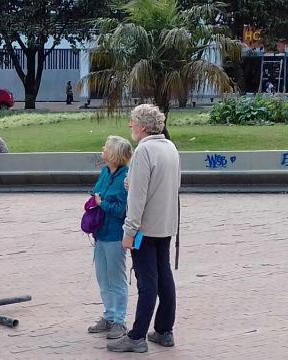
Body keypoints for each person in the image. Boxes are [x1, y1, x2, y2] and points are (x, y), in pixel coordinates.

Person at [107, 104, 180, 353]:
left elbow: (137, 198)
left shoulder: (144, 151)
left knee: (146, 282)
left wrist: (129, 232)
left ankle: (137, 336)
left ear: (143, 126)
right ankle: (164, 330)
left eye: (133, 121)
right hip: (165, 225)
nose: (130, 125)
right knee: (164, 276)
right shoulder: (170, 147)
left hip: (144, 229)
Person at [87, 136, 132, 340]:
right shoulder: (105, 172)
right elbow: (97, 192)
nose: (102, 149)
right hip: (100, 233)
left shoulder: (125, 177)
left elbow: (120, 209)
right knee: (103, 276)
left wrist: (101, 202)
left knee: (116, 277)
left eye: (106, 147)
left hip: (114, 234)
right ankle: (109, 314)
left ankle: (119, 320)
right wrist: (98, 200)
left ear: (114, 154)